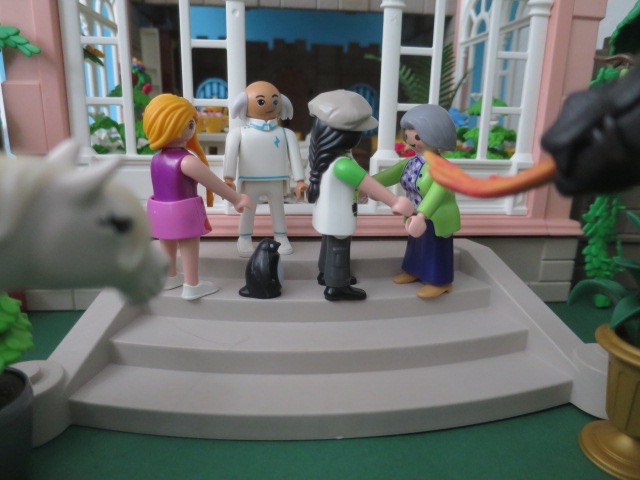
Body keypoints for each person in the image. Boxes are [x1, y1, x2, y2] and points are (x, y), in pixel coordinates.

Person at [307, 90, 414, 301]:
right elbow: (368, 183)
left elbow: (357, 185)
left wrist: (359, 192)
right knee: (339, 248)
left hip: (328, 213)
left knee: (329, 243)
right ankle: (337, 286)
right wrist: (394, 201)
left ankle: (325, 274)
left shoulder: (324, 158)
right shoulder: (343, 164)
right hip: (339, 215)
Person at [144, 94, 253, 300]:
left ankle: (169, 277)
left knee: (166, 243)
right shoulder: (187, 161)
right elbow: (213, 183)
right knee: (188, 245)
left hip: (159, 211)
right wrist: (236, 198)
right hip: (183, 211)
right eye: (190, 123)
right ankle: (192, 285)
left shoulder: (156, 159)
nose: (193, 127)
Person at [374, 104, 461, 298]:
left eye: (417, 137)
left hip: (435, 217)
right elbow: (389, 175)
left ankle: (440, 281)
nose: (411, 141)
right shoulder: (411, 162)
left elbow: (436, 194)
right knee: (416, 245)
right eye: (407, 135)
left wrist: (422, 215)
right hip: (415, 214)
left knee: (435, 248)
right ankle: (414, 270)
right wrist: (366, 183)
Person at [224, 81, 308, 257]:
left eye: (275, 101)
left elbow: (295, 158)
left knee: (278, 209)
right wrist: (228, 178)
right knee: (248, 209)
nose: (270, 105)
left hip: (276, 179)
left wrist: (300, 180)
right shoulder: (238, 133)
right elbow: (230, 156)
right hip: (250, 180)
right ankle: (244, 237)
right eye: (261, 101)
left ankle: (281, 236)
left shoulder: (286, 134)